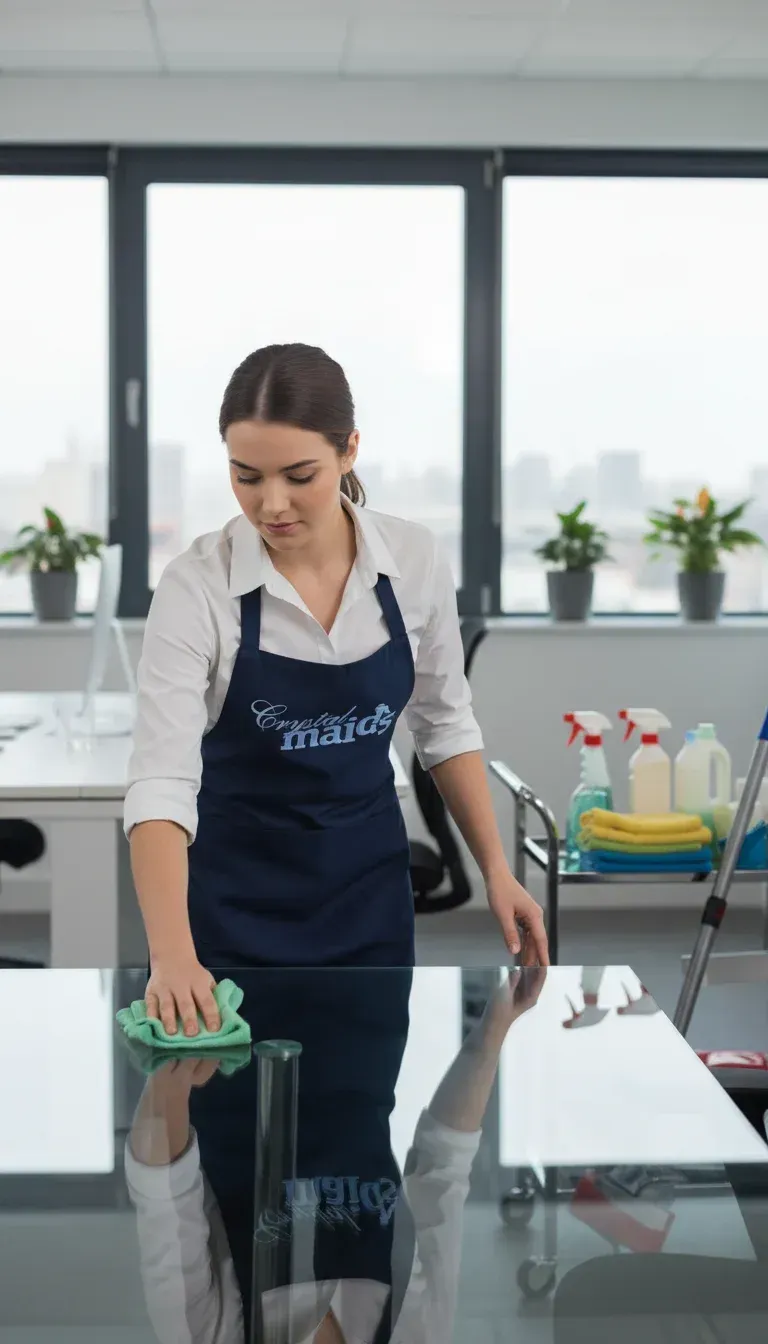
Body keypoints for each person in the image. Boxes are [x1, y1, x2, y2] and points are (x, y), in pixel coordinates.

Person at [125, 343, 548, 1037]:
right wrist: (172, 956)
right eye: (246, 476)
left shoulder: (413, 560)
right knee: (224, 1127)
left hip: (367, 906)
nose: (272, 504)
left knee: (357, 1119)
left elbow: (444, 724)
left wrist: (496, 870)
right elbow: (160, 782)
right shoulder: (196, 586)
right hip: (225, 913)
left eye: (299, 475)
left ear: (349, 450)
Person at [125, 966, 547, 1343]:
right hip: (365, 998)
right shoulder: (415, 1333)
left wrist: (174, 1072)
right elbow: (442, 1169)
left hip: (228, 1006)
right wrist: (495, 1026)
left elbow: (162, 1188)